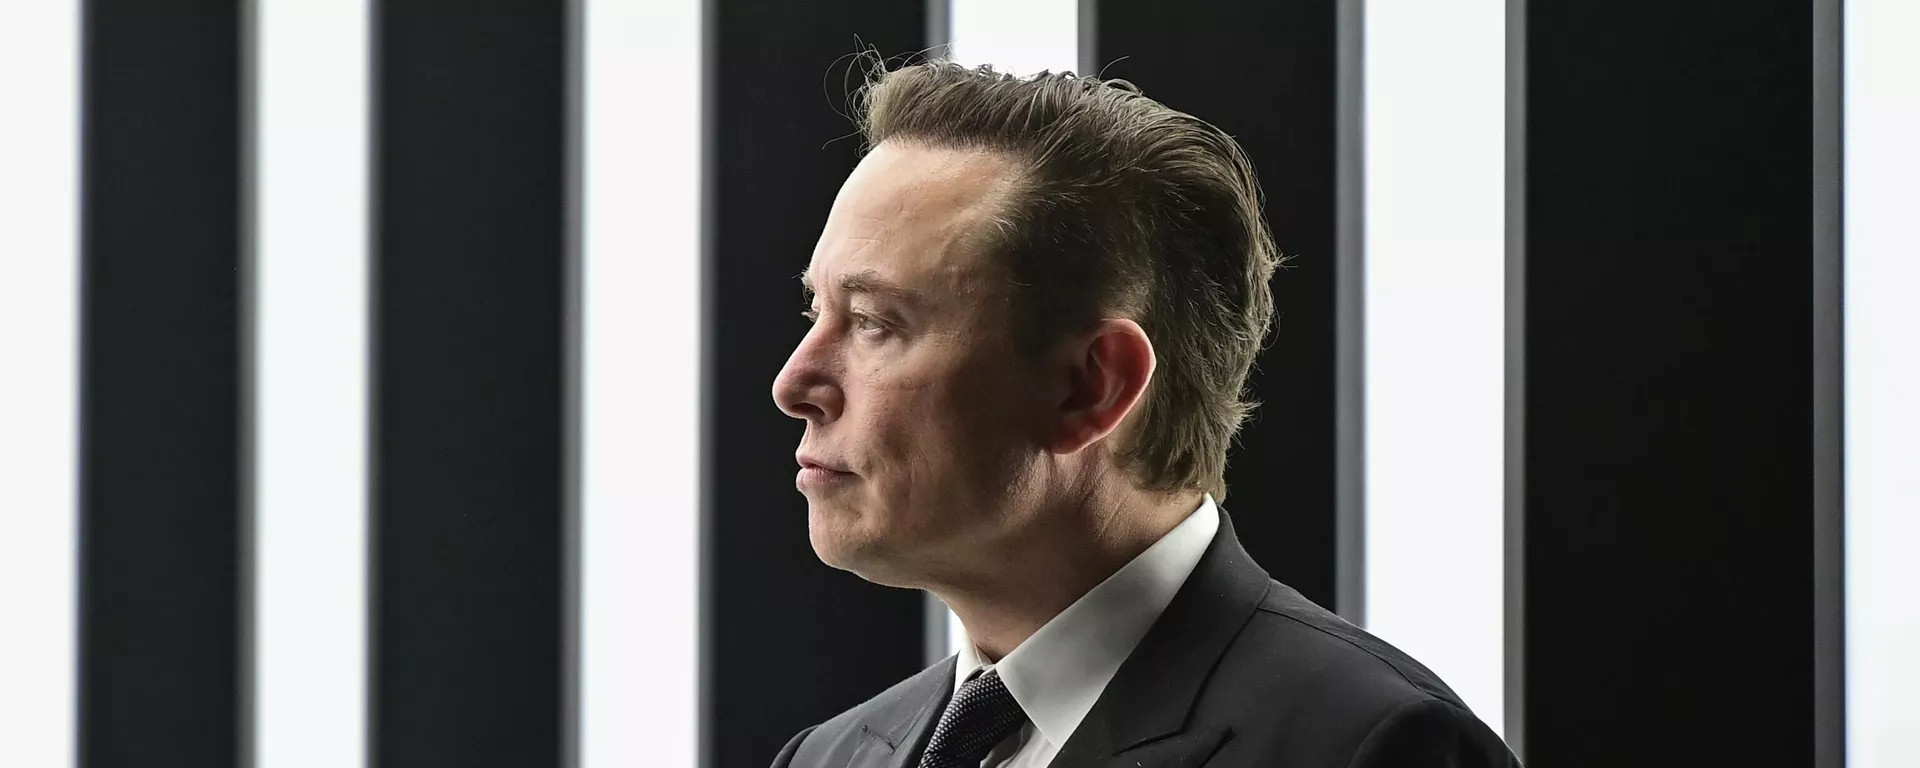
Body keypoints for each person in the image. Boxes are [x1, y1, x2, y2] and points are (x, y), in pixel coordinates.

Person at [769, 57, 1517, 768]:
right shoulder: (827, 757)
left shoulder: (1370, 747)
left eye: (874, 322)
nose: (793, 382)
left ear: (1093, 388)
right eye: (815, 310)